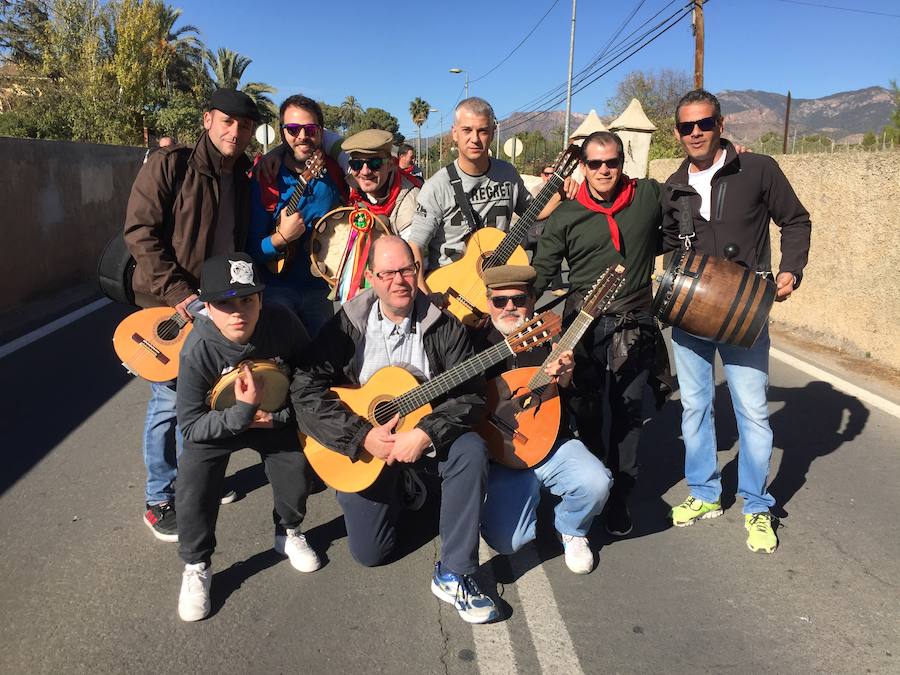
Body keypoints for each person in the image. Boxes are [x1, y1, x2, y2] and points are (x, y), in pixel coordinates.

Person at [290, 236, 498, 624]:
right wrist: (360, 436)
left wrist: (425, 434)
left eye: (407, 270)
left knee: (470, 448)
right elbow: (305, 387)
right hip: (365, 447)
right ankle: (411, 492)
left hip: (420, 440)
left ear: (418, 272)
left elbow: (470, 396)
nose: (399, 280)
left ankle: (455, 571)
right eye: (387, 273)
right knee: (371, 554)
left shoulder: (443, 325)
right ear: (370, 277)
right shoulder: (347, 325)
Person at [661, 89, 811, 554]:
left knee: (751, 411)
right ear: (677, 132)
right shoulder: (672, 185)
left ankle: (756, 504)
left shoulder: (757, 168)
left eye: (704, 123)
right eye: (687, 126)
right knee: (695, 408)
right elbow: (665, 242)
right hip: (690, 314)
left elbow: (796, 220)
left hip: (745, 313)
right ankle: (705, 494)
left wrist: (791, 268)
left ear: (720, 125)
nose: (696, 133)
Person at [124, 88, 260, 542]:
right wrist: (179, 292)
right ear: (207, 121)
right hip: (171, 302)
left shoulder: (241, 174)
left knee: (200, 396)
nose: (235, 132)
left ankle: (192, 480)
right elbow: (140, 233)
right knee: (168, 401)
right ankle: (159, 497)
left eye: (243, 126)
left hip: (215, 304)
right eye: (227, 122)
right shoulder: (171, 165)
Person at [531, 130, 668, 538]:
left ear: (623, 163)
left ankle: (621, 498)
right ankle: (595, 488)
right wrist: (500, 309)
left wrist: (732, 153)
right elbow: (541, 273)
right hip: (583, 327)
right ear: (584, 167)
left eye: (612, 162)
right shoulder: (566, 215)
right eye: (595, 163)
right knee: (586, 412)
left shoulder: (648, 197)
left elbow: (691, 194)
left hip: (634, 323)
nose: (604, 170)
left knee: (627, 416)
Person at [175, 253, 321, 622]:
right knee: (193, 480)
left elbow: (310, 374)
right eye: (225, 303)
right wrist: (240, 413)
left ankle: (288, 530)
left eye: (248, 300)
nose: (238, 312)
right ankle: (196, 564)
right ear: (207, 306)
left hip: (273, 416)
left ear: (261, 299)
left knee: (295, 464)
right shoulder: (198, 349)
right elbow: (190, 425)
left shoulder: (281, 322)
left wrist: (279, 415)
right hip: (219, 421)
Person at [471, 265, 612, 574]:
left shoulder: (552, 337)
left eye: (519, 300)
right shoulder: (472, 342)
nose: (509, 307)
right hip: (502, 457)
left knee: (596, 482)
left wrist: (568, 380)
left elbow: (586, 407)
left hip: (551, 445)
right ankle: (509, 502)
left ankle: (572, 528)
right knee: (507, 542)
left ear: (532, 300)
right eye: (500, 301)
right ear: (488, 302)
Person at [407, 97, 565, 295]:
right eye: (467, 130)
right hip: (451, 293)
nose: (474, 138)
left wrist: (561, 194)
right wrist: (425, 295)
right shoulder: (436, 186)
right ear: (454, 133)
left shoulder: (508, 174)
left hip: (498, 288)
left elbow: (533, 212)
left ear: (492, 133)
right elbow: (416, 246)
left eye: (482, 130)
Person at [247, 94, 347, 338]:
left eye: (310, 129)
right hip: (275, 290)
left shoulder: (334, 172)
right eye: (292, 129)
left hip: (320, 290)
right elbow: (250, 249)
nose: (302, 136)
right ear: (282, 133)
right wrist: (280, 239)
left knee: (323, 361)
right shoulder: (266, 177)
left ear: (321, 133)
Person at [344, 129, 421, 239]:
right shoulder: (351, 189)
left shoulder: (409, 201)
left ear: (390, 164)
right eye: (357, 164)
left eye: (375, 163)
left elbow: (412, 252)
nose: (365, 172)